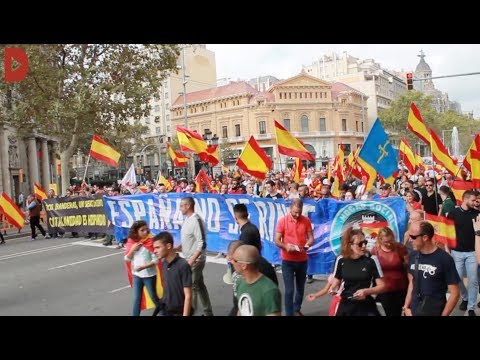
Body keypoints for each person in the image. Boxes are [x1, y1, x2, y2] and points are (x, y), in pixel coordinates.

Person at [402, 221, 460, 316]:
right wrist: (406, 307)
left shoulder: (445, 259)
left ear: (425, 237)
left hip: (433, 310)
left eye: (413, 237)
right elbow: (412, 283)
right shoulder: (413, 255)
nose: (410, 240)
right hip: (413, 310)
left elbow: (455, 293)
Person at [329, 227, 385, 316]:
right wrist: (333, 288)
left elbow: (382, 286)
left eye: (365, 243)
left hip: (366, 305)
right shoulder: (340, 259)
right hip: (346, 304)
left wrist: (366, 292)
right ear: (350, 245)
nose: (364, 246)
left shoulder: (371, 260)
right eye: (360, 244)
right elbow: (337, 279)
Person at [175, 196, 213, 316]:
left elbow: (202, 243)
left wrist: (192, 260)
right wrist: (177, 248)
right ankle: (208, 311)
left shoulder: (196, 220)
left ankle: (191, 312)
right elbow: (189, 239)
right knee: (199, 285)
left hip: (195, 261)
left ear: (188, 206)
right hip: (189, 259)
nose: (180, 208)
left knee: (191, 288)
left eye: (182, 205)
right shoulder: (187, 219)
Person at [274, 198, 314, 316]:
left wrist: (308, 244)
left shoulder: (306, 220)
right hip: (287, 260)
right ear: (290, 208)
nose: (297, 215)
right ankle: (289, 313)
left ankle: (296, 309)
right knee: (290, 290)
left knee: (300, 288)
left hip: (302, 260)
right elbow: (276, 240)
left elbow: (311, 238)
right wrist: (285, 246)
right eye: (295, 212)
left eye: (299, 212)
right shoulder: (282, 221)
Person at [447, 190, 480, 315]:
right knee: (457, 278)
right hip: (456, 252)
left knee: (473, 280)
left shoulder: (477, 214)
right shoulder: (453, 213)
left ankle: (471, 307)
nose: (475, 202)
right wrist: (447, 249)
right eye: (473, 200)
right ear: (465, 199)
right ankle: (465, 298)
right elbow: (447, 232)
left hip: (472, 252)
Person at [226, 240, 278, 316]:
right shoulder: (240, 280)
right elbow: (240, 306)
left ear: (244, 264)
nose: (231, 262)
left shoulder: (268, 288)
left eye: (233, 260)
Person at [124, 220, 161, 316]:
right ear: (136, 232)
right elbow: (127, 258)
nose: (145, 232)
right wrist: (132, 250)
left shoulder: (150, 242)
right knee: (137, 299)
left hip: (149, 276)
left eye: (146, 229)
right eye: (142, 230)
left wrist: (143, 267)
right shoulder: (131, 243)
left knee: (154, 298)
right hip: (137, 276)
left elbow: (156, 260)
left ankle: (164, 313)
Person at [370, 227, 408, 316]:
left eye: (391, 241)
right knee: (390, 312)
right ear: (380, 240)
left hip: (401, 288)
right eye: (386, 242)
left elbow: (407, 265)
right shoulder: (375, 251)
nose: (389, 244)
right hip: (385, 289)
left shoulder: (400, 248)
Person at [152, 231, 192, 316]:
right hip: (165, 309)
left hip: (178, 312)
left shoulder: (183, 265)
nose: (154, 251)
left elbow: (188, 295)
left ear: (168, 246)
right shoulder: (163, 263)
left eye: (158, 247)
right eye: (154, 248)